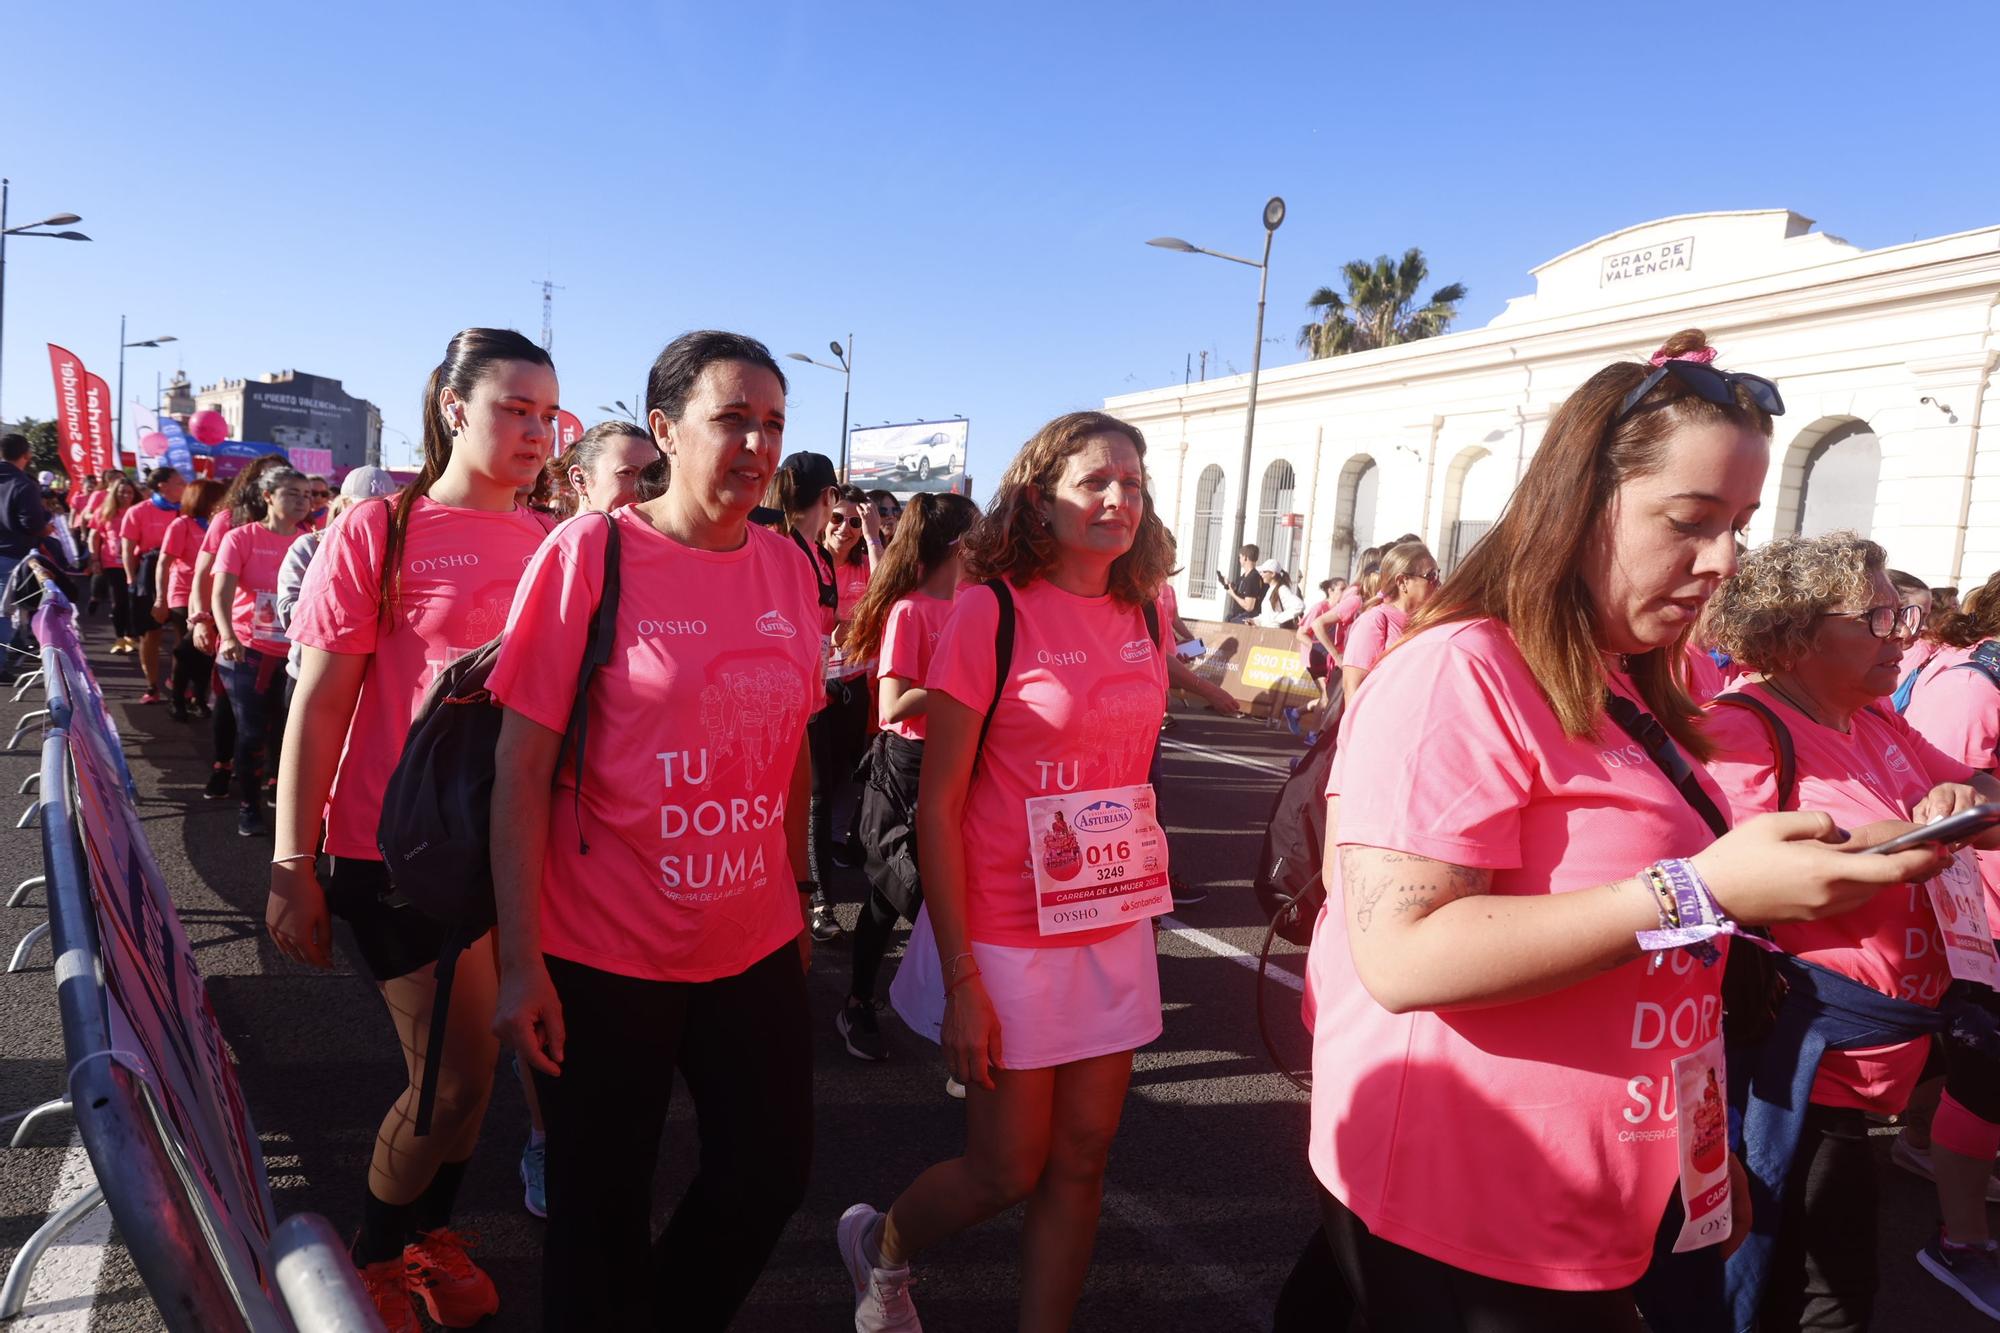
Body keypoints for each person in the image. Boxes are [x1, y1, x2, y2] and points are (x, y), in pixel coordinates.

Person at [1303, 330, 1947, 1330]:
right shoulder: (1459, 670)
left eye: (1737, 522)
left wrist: (1696, 1151)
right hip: (1467, 1210)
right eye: (1689, 520)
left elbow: (1662, 967)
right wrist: (1705, 889)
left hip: (1610, 1185)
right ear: (1578, 506)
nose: (1724, 559)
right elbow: (1399, 952)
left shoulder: (1629, 686)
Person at [487, 329, 819, 1331]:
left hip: (749, 941)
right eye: (733, 420)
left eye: (771, 425)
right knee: (597, 1212)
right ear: (667, 429)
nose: (757, 446)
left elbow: (793, 751)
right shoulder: (591, 553)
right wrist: (517, 960)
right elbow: (520, 768)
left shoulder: (788, 568)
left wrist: (796, 892)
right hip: (603, 951)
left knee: (766, 1177)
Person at [839, 409, 1178, 1333]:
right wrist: (959, 977)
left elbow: (1131, 762)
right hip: (1004, 929)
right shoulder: (990, 609)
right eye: (1095, 482)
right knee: (1004, 1168)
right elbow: (938, 805)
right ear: (1039, 495)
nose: (1118, 501)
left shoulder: (1146, 606)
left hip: (1112, 920)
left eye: (1134, 486)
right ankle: (884, 1247)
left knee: (1083, 1157)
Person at [269, 328, 559, 1331]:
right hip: (383, 849)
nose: (535, 429)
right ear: (452, 406)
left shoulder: (552, 543)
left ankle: (427, 1238)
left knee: (471, 1082)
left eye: (545, 411)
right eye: (513, 407)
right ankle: (372, 1262)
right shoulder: (382, 529)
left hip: (499, 854)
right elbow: (320, 703)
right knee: (451, 1078)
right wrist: (290, 862)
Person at [1699, 532, 2000, 1329]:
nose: (1905, 633)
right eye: (1880, 616)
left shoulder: (1875, 720)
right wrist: (1893, 845)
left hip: (1880, 1052)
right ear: (1794, 629)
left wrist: (1959, 805)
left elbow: (1984, 793)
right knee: (1816, 1290)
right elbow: (1732, 881)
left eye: (1906, 615)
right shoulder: (1741, 729)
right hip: (1797, 1060)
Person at [835, 490, 981, 1062]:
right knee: (901, 893)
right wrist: (960, 678)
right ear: (959, 542)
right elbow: (892, 705)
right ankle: (859, 1002)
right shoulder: (910, 610)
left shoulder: (978, 602)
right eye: (980, 534)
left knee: (949, 894)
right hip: (910, 767)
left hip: (965, 762)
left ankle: (950, 1014)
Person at [1899, 568, 2000, 1319]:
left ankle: (1920, 1137)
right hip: (1983, 920)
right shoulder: (1971, 687)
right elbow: (1934, 808)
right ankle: (1960, 1239)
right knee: (1983, 1077)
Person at [768, 450, 855, 943]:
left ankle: (804, 895)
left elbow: (822, 627)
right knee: (806, 800)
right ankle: (810, 899)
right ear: (829, 496)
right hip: (788, 703)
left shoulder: (818, 555)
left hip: (813, 697)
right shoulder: (781, 549)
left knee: (814, 798)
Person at [212, 467, 311, 835]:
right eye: (292, 493)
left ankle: (277, 791)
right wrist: (228, 637)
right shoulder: (240, 539)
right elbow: (220, 594)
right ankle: (248, 807)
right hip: (248, 651)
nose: (303, 500)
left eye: (306, 494)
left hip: (295, 655)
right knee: (252, 732)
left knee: (286, 734)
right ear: (268, 496)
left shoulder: (311, 541)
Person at [191, 456, 291, 800]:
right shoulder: (229, 521)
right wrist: (201, 618)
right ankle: (222, 766)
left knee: (274, 715)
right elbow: (204, 574)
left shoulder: (302, 529)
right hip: (235, 631)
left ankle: (271, 776)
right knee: (229, 707)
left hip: (280, 642)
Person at [155, 478, 226, 721]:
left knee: (206, 650)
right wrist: (160, 598)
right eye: (219, 497)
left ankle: (197, 697)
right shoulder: (181, 525)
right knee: (187, 648)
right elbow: (164, 563)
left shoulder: (222, 524)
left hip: (211, 596)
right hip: (182, 595)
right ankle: (177, 699)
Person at [1338, 540, 1438, 704]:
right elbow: (1352, 688)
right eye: (1431, 576)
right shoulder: (1374, 620)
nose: (1438, 583)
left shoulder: (1427, 622)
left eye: (1438, 574)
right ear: (1403, 582)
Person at [121, 465, 186, 702]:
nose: (185, 486)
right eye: (179, 482)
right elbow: (127, 549)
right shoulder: (139, 511)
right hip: (148, 573)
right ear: (163, 486)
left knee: (183, 632)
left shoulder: (186, 512)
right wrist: (130, 579)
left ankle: (178, 679)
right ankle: (151, 686)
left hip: (181, 574)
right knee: (151, 632)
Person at [0, 434, 51, 665]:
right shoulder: (23, 484)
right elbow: (32, 524)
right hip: (11, 556)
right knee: (4, 612)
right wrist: (46, 526)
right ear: (27, 455)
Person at [559, 419, 659, 514]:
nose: (646, 487)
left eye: (652, 476)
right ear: (580, 480)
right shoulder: (566, 532)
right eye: (627, 473)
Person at [90, 476, 140, 651]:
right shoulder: (104, 512)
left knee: (133, 602)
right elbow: (94, 537)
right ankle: (120, 638)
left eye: (129, 492)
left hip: (136, 564)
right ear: (114, 493)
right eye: (121, 492)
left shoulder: (138, 511)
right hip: (112, 564)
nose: (125, 495)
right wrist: (95, 559)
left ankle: (130, 636)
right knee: (118, 602)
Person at [1252, 560, 1306, 629]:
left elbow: (1299, 605)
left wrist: (1278, 619)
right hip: (1268, 632)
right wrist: (1255, 621)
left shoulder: (1281, 589)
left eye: (1264, 572)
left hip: (1277, 633)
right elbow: (1269, 616)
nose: (1261, 574)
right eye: (1261, 572)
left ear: (1273, 574)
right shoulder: (1271, 589)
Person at [1220, 543, 1264, 623]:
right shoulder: (1244, 576)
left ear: (1245, 558)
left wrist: (1232, 594)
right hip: (1235, 617)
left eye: (1240, 557)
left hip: (1243, 621)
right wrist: (1230, 586)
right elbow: (1242, 593)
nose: (1239, 560)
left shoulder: (1253, 578)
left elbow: (1249, 606)